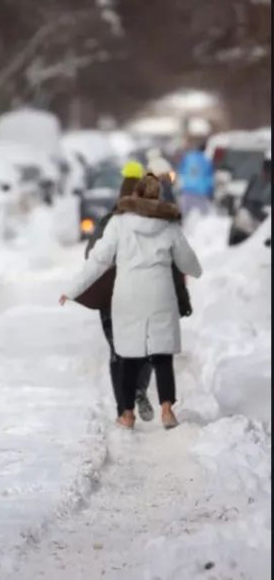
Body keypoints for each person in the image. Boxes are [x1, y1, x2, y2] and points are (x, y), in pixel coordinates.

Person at [61, 174, 203, 430]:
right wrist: (197, 271)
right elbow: (187, 262)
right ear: (157, 197)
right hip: (160, 295)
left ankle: (126, 414)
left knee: (127, 356)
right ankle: (167, 410)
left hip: (128, 296)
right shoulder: (169, 226)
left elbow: (98, 260)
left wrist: (72, 290)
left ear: (134, 195)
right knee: (161, 357)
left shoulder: (118, 224)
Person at [79, 161, 154, 422]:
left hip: (111, 297)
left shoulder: (108, 222)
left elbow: (91, 255)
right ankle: (139, 390)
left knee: (117, 350)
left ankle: (124, 408)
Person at [176, 136, 215, 218]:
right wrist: (211, 191)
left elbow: (181, 172)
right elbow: (209, 178)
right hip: (200, 192)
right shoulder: (206, 161)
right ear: (205, 149)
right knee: (205, 216)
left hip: (187, 190)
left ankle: (182, 229)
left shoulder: (188, 157)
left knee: (183, 216)